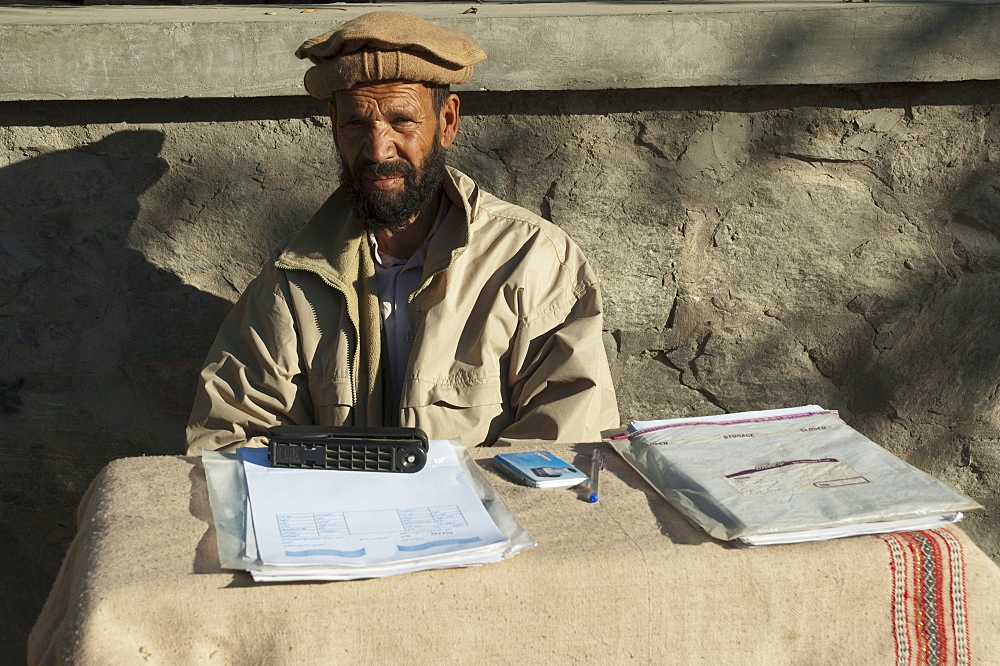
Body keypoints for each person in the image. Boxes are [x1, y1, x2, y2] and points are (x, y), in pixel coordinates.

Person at [185, 11, 619, 454]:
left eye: (402, 121)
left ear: (447, 122)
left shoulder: (532, 261)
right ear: (334, 126)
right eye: (357, 123)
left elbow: (567, 444)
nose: (378, 149)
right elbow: (230, 437)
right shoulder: (295, 278)